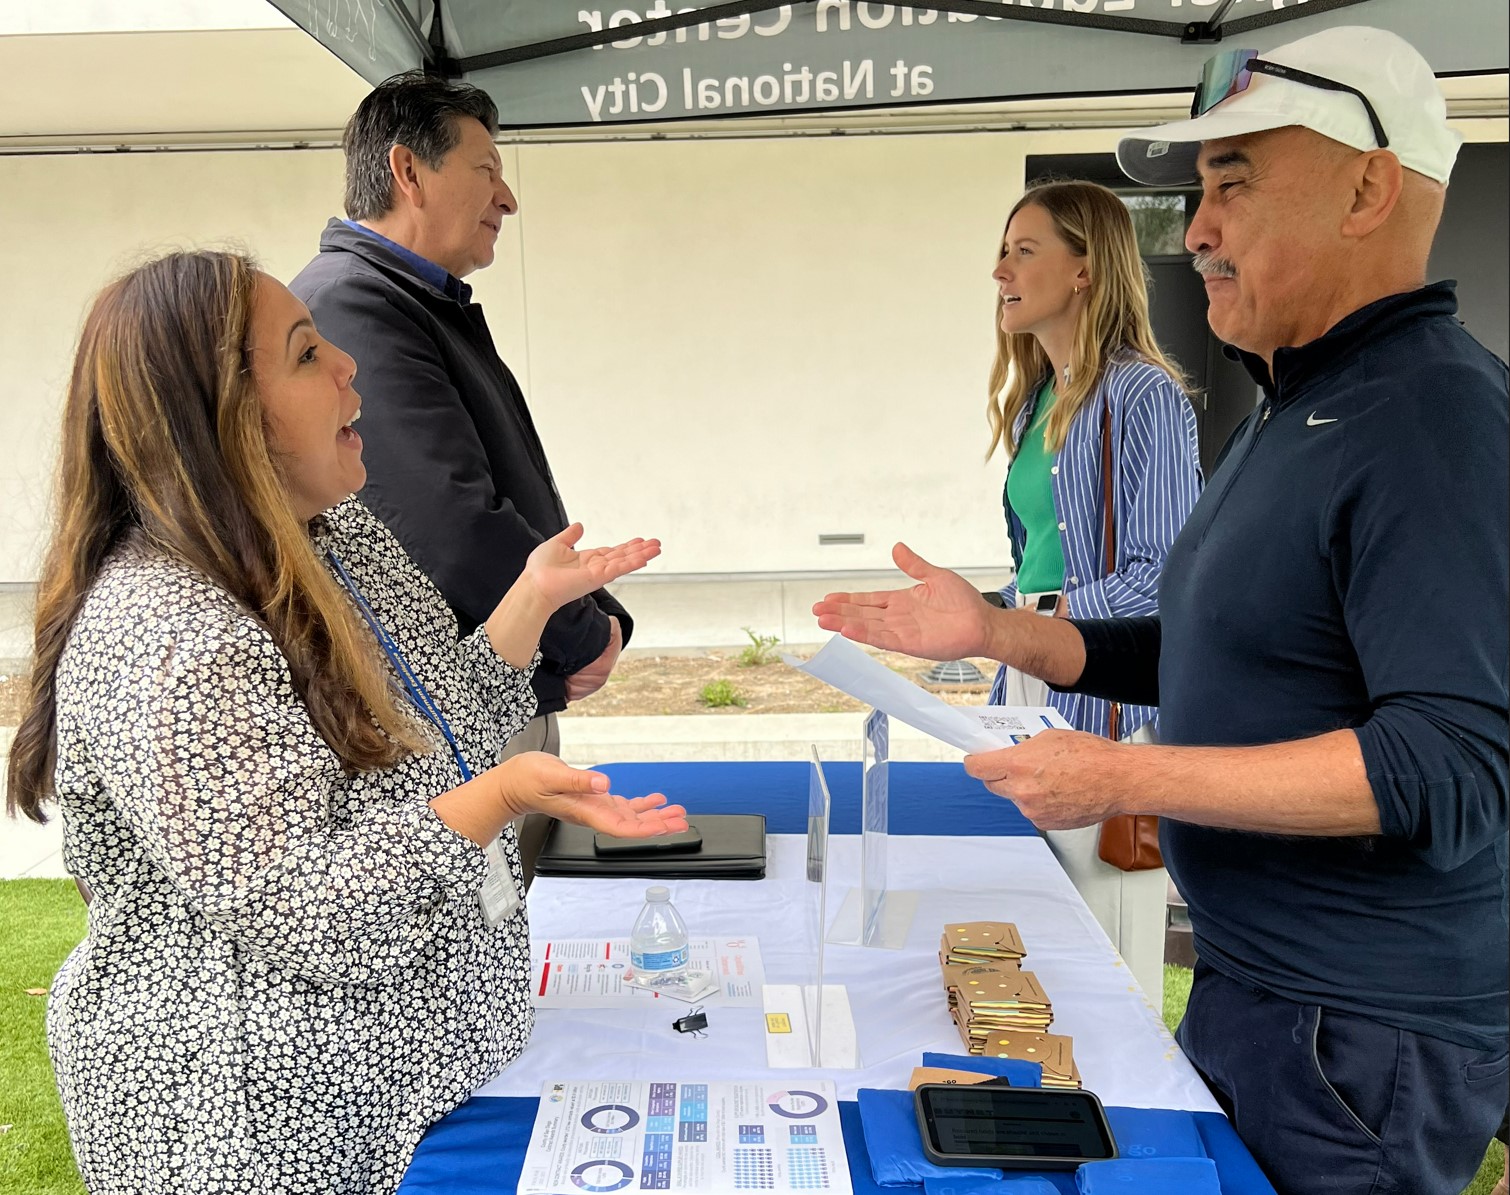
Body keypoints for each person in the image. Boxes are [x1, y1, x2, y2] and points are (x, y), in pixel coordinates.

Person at [816, 26, 1507, 1195]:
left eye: (1231, 185)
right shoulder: (1296, 402)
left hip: (1356, 1033)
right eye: (1197, 195)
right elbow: (1202, 647)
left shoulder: (1431, 420)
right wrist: (997, 631)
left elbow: (1448, 769)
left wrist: (1125, 779)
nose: (1194, 232)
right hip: (1271, 1000)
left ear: (1369, 188)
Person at [5, 250, 687, 1194]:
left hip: (424, 1083)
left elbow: (443, 721)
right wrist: (498, 798)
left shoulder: (335, 534)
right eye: (304, 354)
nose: (347, 368)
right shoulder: (171, 635)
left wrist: (529, 601)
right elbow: (309, 911)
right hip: (268, 1131)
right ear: (221, 419)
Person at [289, 72, 630, 876]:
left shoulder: (410, 299)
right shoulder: (355, 305)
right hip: (459, 715)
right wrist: (582, 632)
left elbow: (494, 508)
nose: (506, 198)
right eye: (487, 169)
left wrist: (589, 611)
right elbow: (448, 524)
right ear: (409, 172)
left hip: (489, 693)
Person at [982, 179, 1202, 1000]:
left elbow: (1165, 576)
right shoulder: (1036, 400)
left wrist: (1026, 623)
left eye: (1023, 249)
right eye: (1002, 251)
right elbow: (1043, 566)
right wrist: (980, 617)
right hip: (1029, 686)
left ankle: (1117, 1115)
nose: (1000, 269)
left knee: (1105, 954)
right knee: (1034, 941)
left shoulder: (1143, 394)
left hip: (1107, 700)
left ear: (1084, 270)